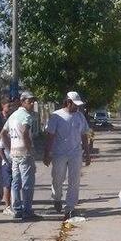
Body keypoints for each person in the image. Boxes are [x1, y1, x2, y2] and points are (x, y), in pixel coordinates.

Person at [43, 91, 91, 219]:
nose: (77, 107)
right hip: (59, 153)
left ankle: (70, 207)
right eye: (75, 105)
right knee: (58, 179)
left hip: (75, 153)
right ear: (68, 102)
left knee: (74, 181)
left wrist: (87, 153)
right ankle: (57, 198)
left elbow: (84, 135)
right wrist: (46, 154)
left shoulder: (80, 116)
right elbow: (50, 136)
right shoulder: (56, 116)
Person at [1, 91, 41, 220]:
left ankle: (17, 209)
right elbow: (24, 132)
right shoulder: (26, 116)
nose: (31, 104)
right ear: (23, 101)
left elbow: (2, 133)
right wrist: (30, 150)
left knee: (16, 182)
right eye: (29, 101)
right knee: (27, 183)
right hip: (24, 153)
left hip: (14, 153)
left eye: (33, 102)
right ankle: (27, 211)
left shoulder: (12, 116)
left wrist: (9, 148)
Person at [0, 98, 15, 205]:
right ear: (2, 106)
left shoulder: (12, 117)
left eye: (11, 106)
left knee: (8, 176)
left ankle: (8, 198)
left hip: (9, 150)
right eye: (8, 106)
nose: (10, 108)